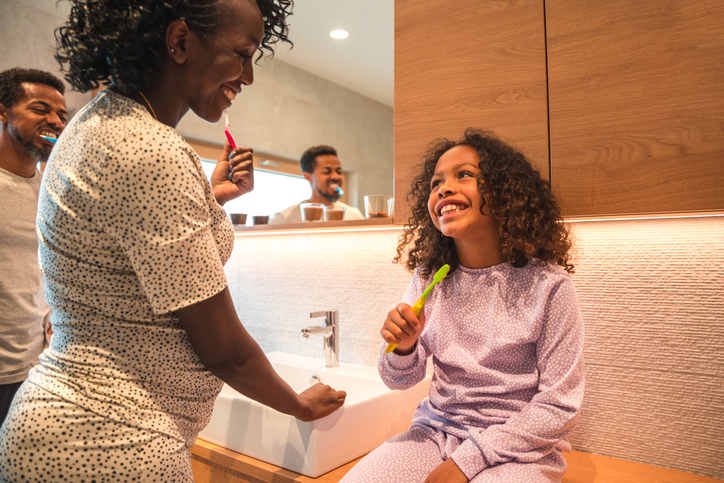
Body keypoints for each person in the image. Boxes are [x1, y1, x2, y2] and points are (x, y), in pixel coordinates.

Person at [0, 1, 346, 482]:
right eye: (243, 54)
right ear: (179, 41)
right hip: (112, 441)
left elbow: (132, 247)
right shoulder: (150, 149)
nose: (248, 76)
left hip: (64, 420)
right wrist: (299, 405)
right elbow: (226, 349)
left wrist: (210, 196)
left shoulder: (96, 122)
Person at [341, 129, 585, 483]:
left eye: (464, 175)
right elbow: (398, 378)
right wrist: (404, 346)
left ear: (504, 192)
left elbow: (559, 404)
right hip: (435, 434)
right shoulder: (430, 279)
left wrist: (467, 460)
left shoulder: (549, 286)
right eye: (436, 182)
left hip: (519, 450)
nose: (444, 188)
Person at [0, 67, 67, 427]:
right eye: (41, 109)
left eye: (61, 115)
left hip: (36, 369)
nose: (55, 121)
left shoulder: (54, 191)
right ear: (3, 112)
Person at [270, 144, 365, 223]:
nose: (336, 177)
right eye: (327, 172)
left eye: (339, 171)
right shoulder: (284, 218)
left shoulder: (355, 216)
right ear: (308, 177)